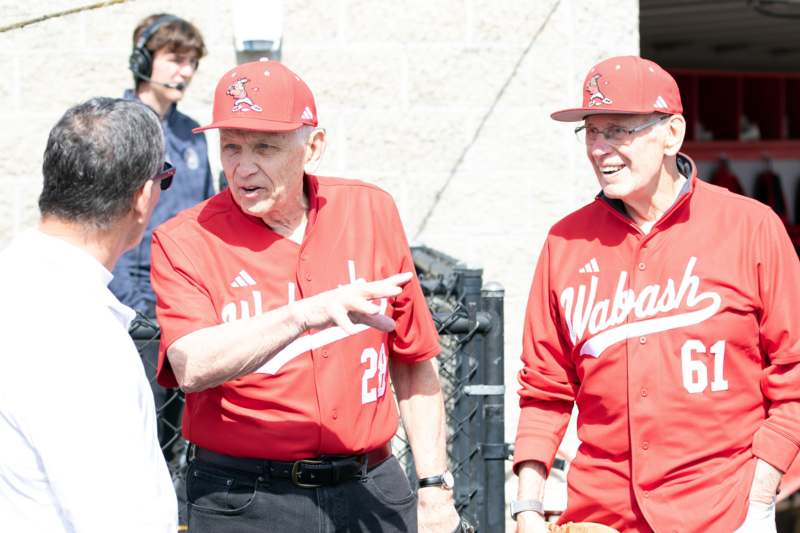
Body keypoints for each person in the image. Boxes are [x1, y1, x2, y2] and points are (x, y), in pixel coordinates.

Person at [149, 59, 462, 533]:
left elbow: (413, 357)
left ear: (312, 147)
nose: (243, 166)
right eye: (230, 147)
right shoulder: (184, 239)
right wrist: (304, 314)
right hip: (246, 497)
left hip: (371, 485)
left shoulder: (369, 210)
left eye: (265, 147)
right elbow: (190, 364)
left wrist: (434, 488)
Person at [512, 55, 800, 533]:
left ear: (672, 134)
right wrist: (527, 505)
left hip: (724, 510)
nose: (600, 149)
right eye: (592, 131)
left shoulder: (751, 227)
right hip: (602, 517)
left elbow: (794, 370)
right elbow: (545, 388)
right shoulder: (565, 241)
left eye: (619, 130)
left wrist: (761, 489)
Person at [0, 97, 177, 532]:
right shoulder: (80, 335)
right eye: (164, 180)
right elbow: (118, 518)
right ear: (142, 197)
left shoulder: (17, 281)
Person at [112, 12, 214, 471]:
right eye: (175, 59)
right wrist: (136, 311)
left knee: (179, 443)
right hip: (131, 314)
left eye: (192, 62)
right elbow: (102, 223)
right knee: (134, 439)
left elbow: (207, 221)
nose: (185, 72)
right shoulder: (112, 126)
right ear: (143, 60)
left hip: (184, 311)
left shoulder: (192, 135)